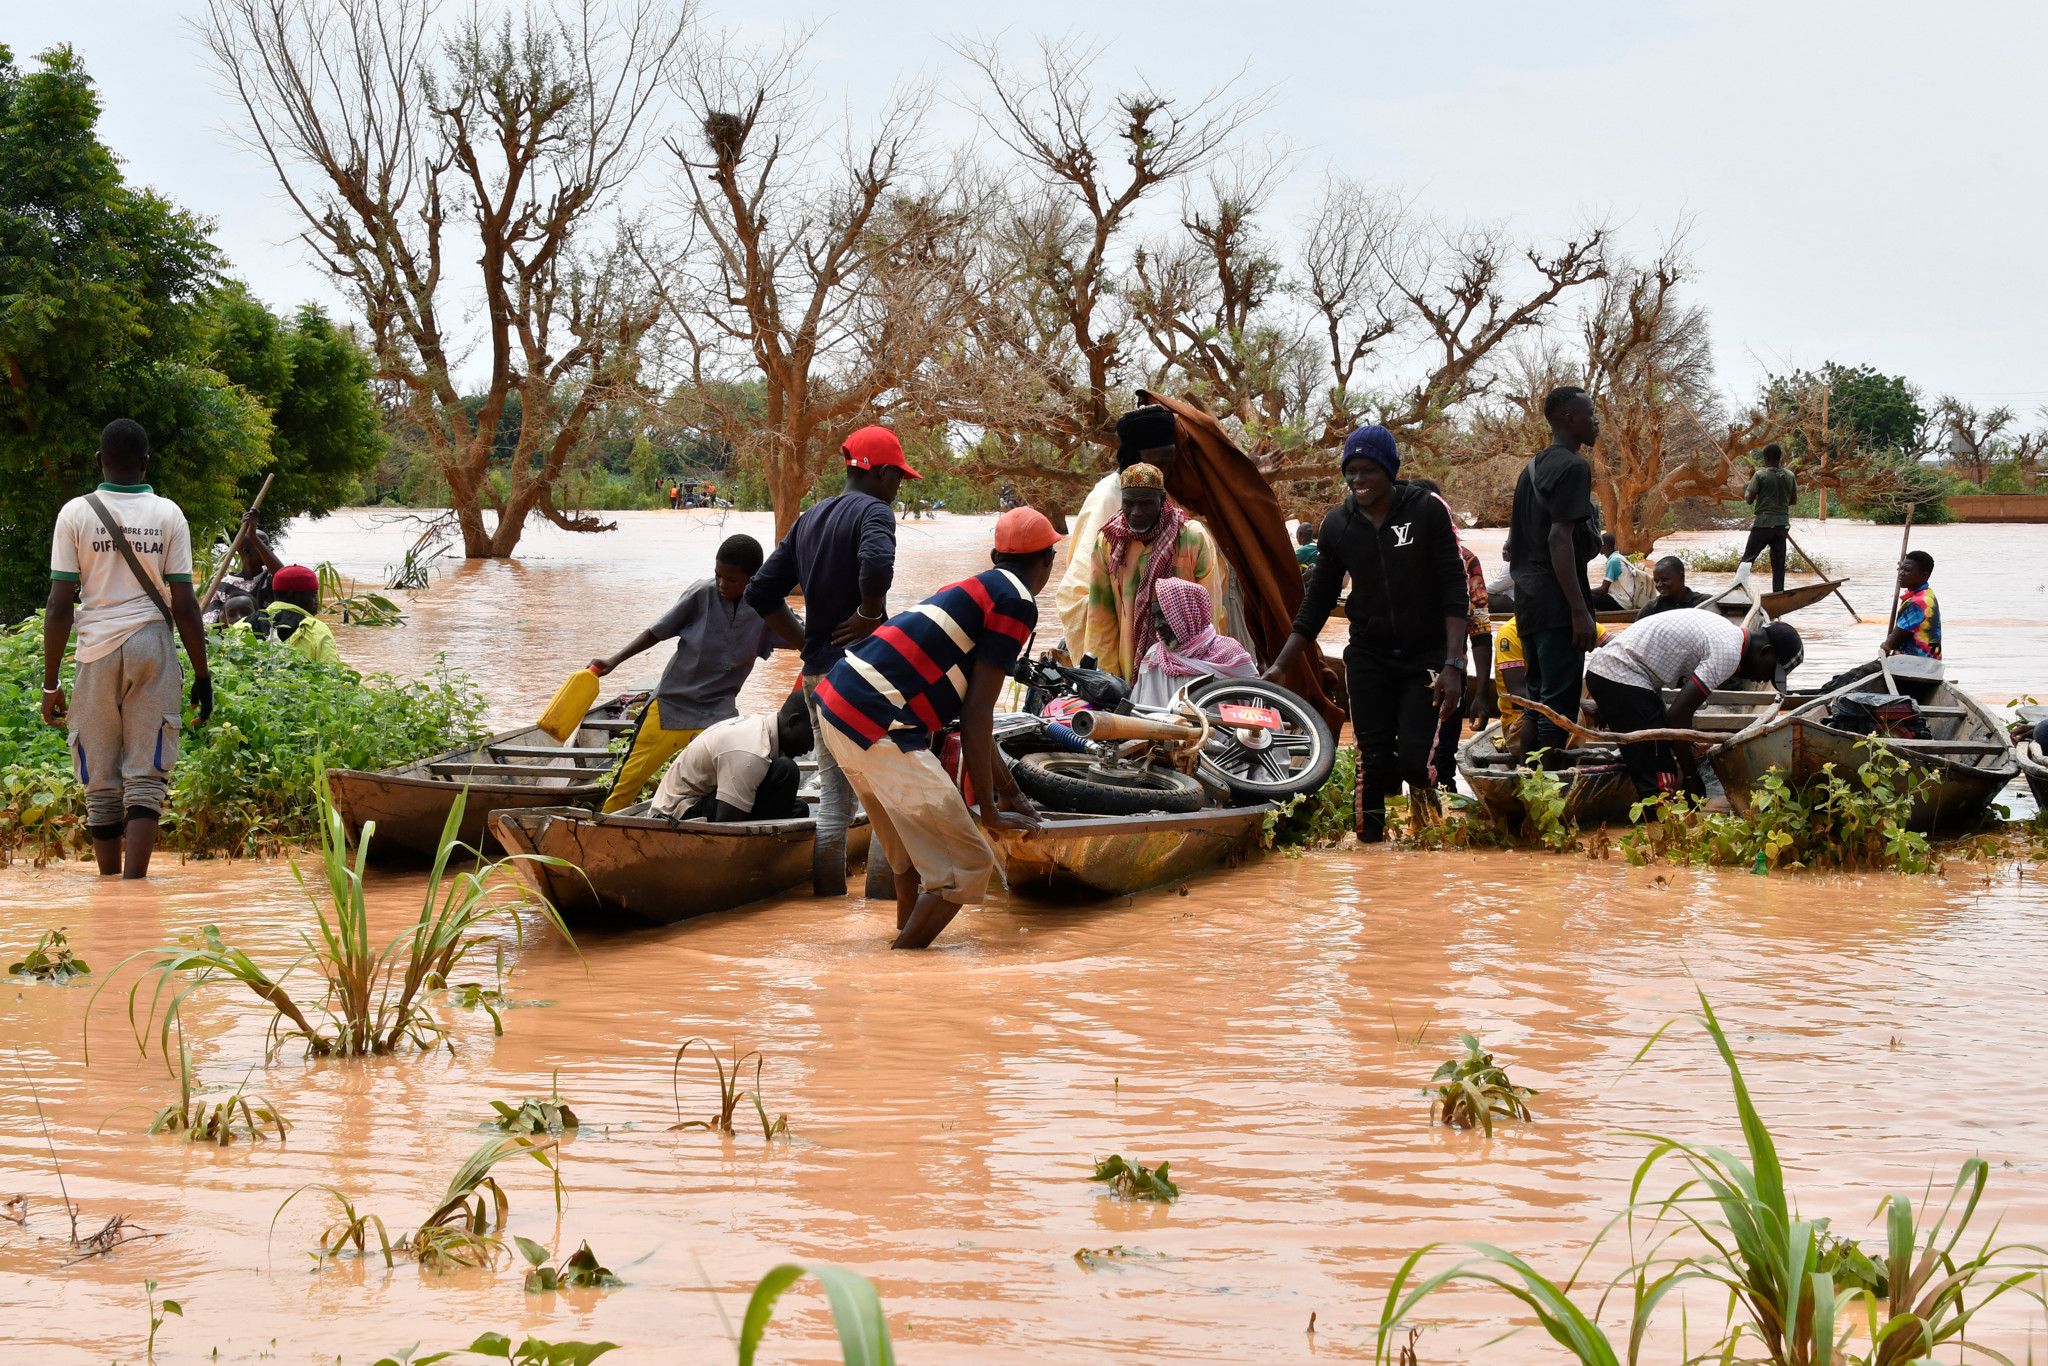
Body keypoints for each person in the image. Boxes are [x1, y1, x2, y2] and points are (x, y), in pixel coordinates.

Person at [813, 508, 1058, 949]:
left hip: (838, 708)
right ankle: (902, 965)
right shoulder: (1017, 600)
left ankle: (902, 976)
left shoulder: (972, 587)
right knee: (968, 864)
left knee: (909, 855)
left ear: (994, 555)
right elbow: (978, 712)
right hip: (880, 721)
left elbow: (969, 712)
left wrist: (1010, 793)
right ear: (1048, 561)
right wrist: (991, 809)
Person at [1265, 426, 1467, 841]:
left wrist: (1454, 664)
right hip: (1369, 656)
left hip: (1424, 658)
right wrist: (1282, 665)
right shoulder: (1339, 525)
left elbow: (1454, 588)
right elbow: (1317, 600)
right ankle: (1369, 857)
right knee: (1371, 760)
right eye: (1351, 472)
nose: (1358, 480)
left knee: (1413, 761)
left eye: (1368, 470)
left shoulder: (1426, 509)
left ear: (1389, 470)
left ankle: (1429, 814)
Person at [41, 418, 213, 879]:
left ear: (99, 461)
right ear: (145, 463)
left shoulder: (75, 513)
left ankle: (109, 890)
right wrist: (201, 674)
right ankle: (136, 889)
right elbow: (185, 604)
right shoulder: (168, 514)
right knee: (146, 774)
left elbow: (59, 606)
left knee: (100, 777)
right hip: (152, 645)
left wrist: (50, 683)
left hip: (95, 649)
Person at [747, 425, 913, 894]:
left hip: (818, 676)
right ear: (880, 473)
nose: (898, 488)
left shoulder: (809, 518)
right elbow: (878, 564)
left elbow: (761, 590)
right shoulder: (875, 512)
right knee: (885, 797)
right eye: (897, 477)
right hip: (865, 673)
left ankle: (827, 909)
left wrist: (805, 641)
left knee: (835, 801)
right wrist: (869, 613)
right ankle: (884, 912)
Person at [592, 534, 780, 812]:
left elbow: (803, 638)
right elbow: (656, 631)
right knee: (628, 782)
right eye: (717, 575)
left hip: (719, 713)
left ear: (752, 579)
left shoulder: (767, 608)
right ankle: (601, 828)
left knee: (726, 782)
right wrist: (615, 660)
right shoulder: (702, 594)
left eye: (731, 579)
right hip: (672, 704)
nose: (721, 584)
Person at [1586, 610, 1801, 799]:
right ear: (1765, 651)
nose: (1764, 680)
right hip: (1620, 675)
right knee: (1663, 776)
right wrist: (1691, 776)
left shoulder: (1727, 633)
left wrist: (1684, 744)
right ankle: (1658, 831)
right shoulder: (1728, 653)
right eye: (1769, 672)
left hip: (1617, 674)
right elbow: (1677, 717)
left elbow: (1674, 717)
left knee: (1659, 746)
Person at [1507, 385, 1603, 761]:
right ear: (1568, 418)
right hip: (1557, 604)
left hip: (1528, 602)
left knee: (1536, 698)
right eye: (1590, 414)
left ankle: (1528, 777)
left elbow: (1516, 544)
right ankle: (1549, 779)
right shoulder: (1574, 467)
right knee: (1559, 702)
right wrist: (1580, 611)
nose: (1595, 421)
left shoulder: (1530, 469)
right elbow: (1559, 540)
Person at [1077, 462, 1228, 682]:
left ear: (1162, 499)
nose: (1136, 513)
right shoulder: (1109, 542)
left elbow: (1209, 610)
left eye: (1146, 504)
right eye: (1129, 504)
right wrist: (1109, 677)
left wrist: (1205, 668)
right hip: (1130, 664)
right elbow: (1101, 618)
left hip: (1189, 664)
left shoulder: (1191, 537)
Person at [1056, 404, 1179, 648]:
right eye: (1157, 463)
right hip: (1119, 638)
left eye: (1168, 462)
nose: (1164, 472)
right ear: (1134, 459)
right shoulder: (1108, 497)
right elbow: (1076, 591)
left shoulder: (1164, 492)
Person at [1409, 478, 1494, 786]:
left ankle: (1442, 824)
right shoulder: (1395, 556)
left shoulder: (1466, 560)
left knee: (1444, 763)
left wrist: (1481, 692)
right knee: (1407, 759)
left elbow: (1481, 629)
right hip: (1403, 675)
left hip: (1449, 676)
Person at [650, 691, 812, 822]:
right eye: (811, 736)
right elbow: (728, 823)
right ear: (793, 722)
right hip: (678, 813)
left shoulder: (761, 729)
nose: (812, 747)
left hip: (706, 799)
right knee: (785, 771)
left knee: (799, 809)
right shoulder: (751, 750)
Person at [1491, 614, 1613, 757]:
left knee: (1600, 682)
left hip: (1560, 697)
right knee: (1569, 711)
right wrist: (1581, 704)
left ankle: (1607, 728)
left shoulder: (1571, 618)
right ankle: (1560, 757)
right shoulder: (1511, 632)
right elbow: (1518, 694)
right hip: (1521, 721)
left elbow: (1617, 645)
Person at [1131, 577, 1257, 709]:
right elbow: (1135, 712)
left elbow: (1260, 709)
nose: (1157, 625)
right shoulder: (1155, 657)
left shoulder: (1229, 653)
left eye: (1164, 616)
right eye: (1155, 618)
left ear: (1187, 614)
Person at [1742, 443, 1798, 593]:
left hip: (1763, 525)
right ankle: (1778, 594)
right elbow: (1792, 501)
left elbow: (1749, 499)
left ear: (1766, 459)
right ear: (1780, 458)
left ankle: (1738, 591)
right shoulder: (1790, 476)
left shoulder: (1760, 475)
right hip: (1781, 526)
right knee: (1778, 566)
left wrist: (1746, 488)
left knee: (1747, 560)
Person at [267, 564, 341, 665]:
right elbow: (333, 672)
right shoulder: (316, 629)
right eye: (313, 594)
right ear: (293, 596)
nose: (317, 601)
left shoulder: (243, 624)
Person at [1885, 550, 1940, 659]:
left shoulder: (1918, 602)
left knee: (1850, 676)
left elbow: (1892, 643)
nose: (1901, 573)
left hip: (1915, 664)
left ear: (1924, 575)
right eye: (1901, 569)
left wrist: (1884, 646)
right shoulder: (1927, 593)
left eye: (1907, 570)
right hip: (1924, 662)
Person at [1635, 556, 1709, 620]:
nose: (1659, 585)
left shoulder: (1705, 602)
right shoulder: (1651, 609)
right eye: (1656, 581)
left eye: (1664, 579)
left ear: (1681, 577)